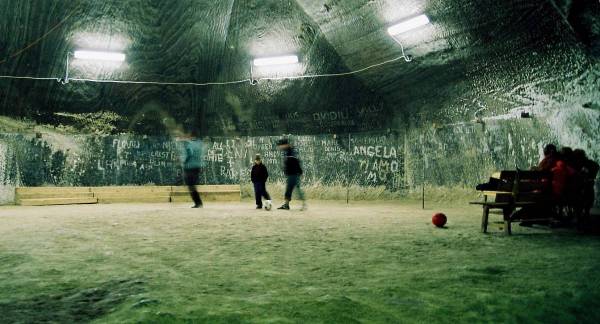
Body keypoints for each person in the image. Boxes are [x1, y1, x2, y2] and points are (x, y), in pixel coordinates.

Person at [178, 128, 205, 208]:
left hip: (190, 166)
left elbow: (190, 153)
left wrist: (184, 161)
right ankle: (198, 203)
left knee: (190, 185)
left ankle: (198, 203)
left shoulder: (189, 144)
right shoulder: (200, 143)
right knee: (192, 185)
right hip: (198, 166)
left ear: (191, 135)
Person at [276, 138, 306, 210]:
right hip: (292, 174)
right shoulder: (288, 151)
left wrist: (299, 172)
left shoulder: (290, 151)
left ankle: (303, 205)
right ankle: (287, 205)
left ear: (285, 145)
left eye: (280, 145)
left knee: (296, 189)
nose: (280, 147)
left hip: (293, 174)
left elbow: (296, 162)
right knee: (289, 189)